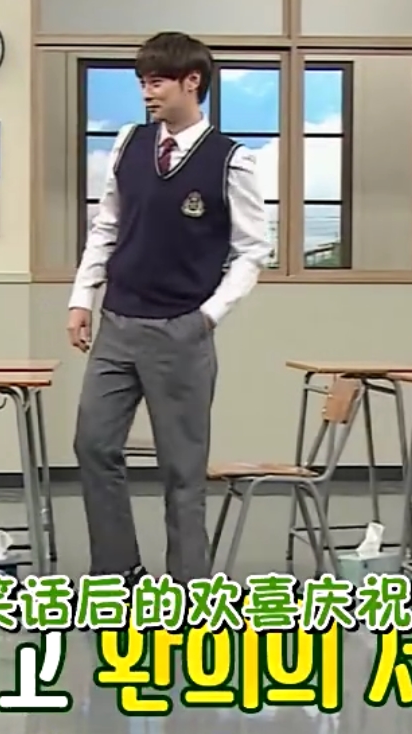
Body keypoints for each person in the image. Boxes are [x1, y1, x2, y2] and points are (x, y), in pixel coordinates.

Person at [66, 32, 273, 585]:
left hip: (181, 331)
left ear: (191, 82)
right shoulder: (129, 143)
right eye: (142, 82)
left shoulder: (232, 161)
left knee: (182, 468)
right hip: (117, 323)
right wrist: (82, 298)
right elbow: (106, 226)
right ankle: (117, 572)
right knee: (93, 444)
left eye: (156, 82)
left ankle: (188, 587)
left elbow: (253, 251)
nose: (146, 92)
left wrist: (208, 316)